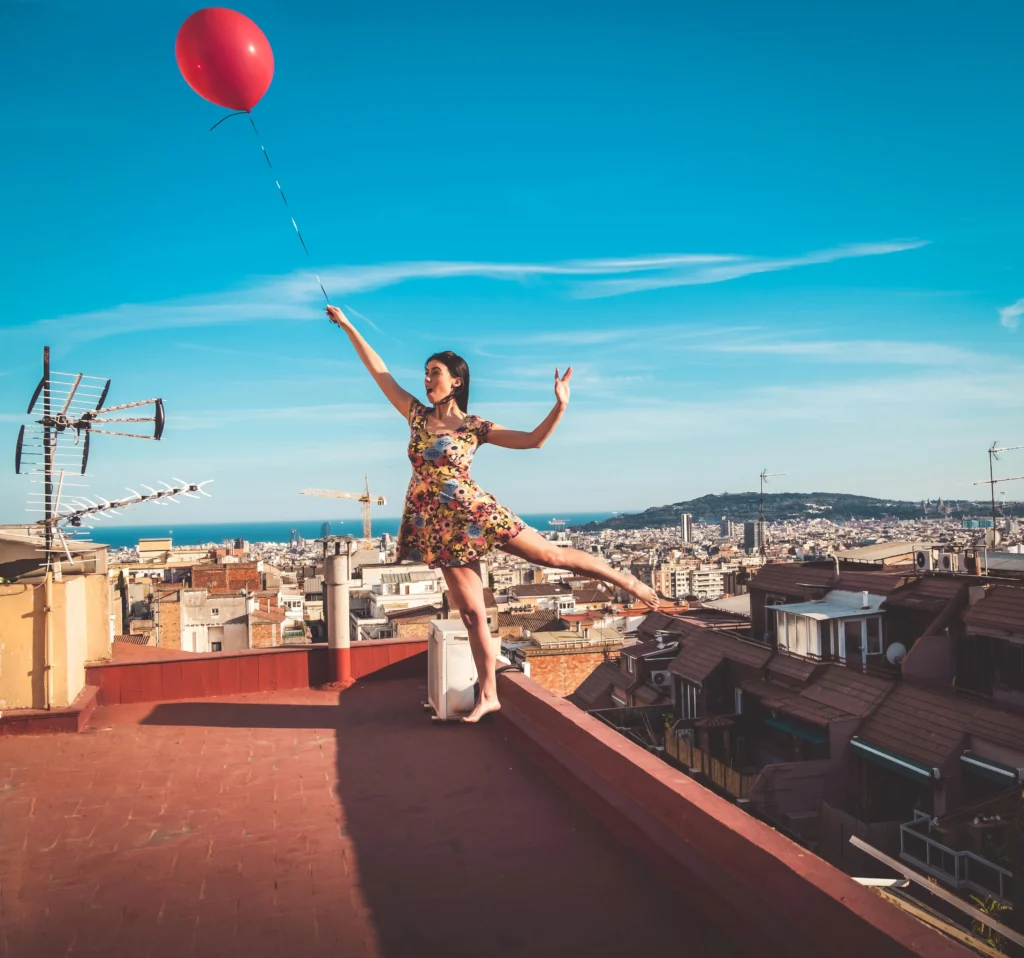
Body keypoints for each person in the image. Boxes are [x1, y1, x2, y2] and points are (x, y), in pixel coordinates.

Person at [326, 305, 660, 722]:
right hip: (438, 527)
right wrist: (349, 326)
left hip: (475, 511)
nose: (426, 380)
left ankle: (622, 578)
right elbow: (379, 373)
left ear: (456, 381)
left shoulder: (475, 427)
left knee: (549, 556)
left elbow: (533, 441)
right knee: (470, 613)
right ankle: (489, 694)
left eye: (434, 373)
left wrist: (559, 406)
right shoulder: (415, 416)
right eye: (426, 373)